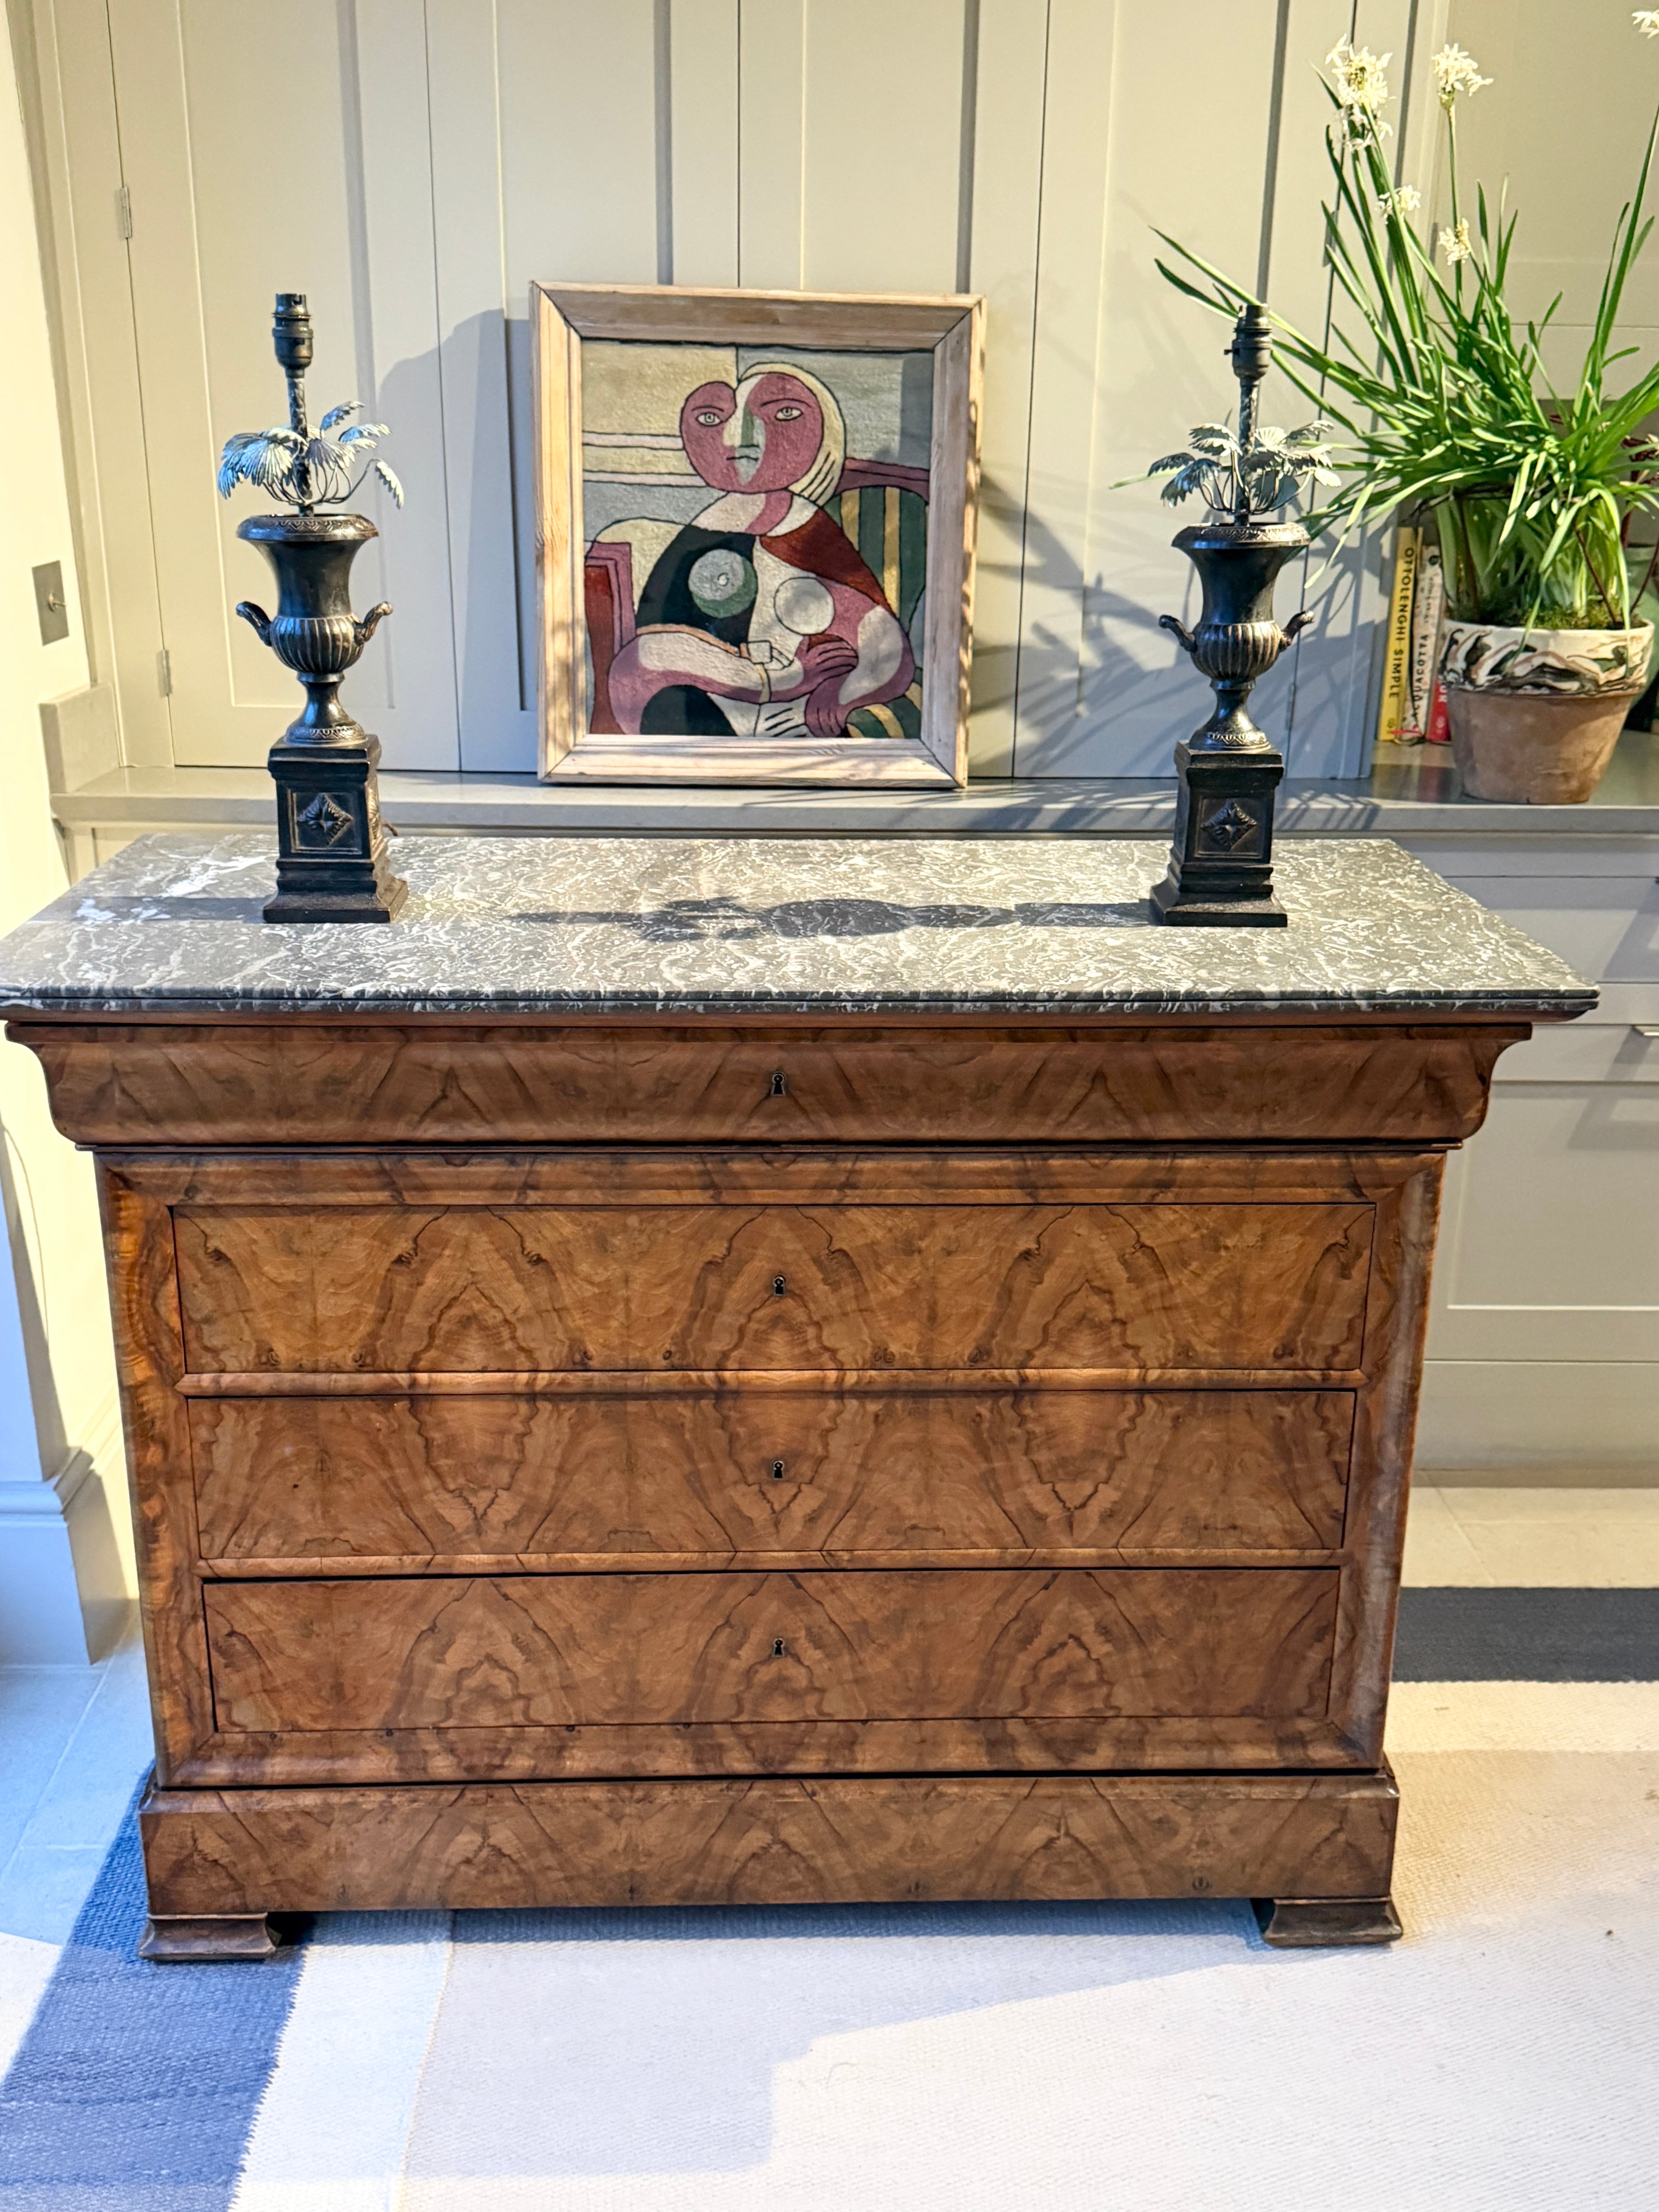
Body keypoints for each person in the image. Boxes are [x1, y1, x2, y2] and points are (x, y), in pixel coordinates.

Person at [592, 364, 914, 740]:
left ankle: (778, 683)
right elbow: (649, 655)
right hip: (700, 710)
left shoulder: (807, 529)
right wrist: (766, 678)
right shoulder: (706, 529)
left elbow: (886, 647)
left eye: (785, 414)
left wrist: (837, 698)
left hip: (790, 722)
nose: (740, 439)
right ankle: (776, 681)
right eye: (711, 419)